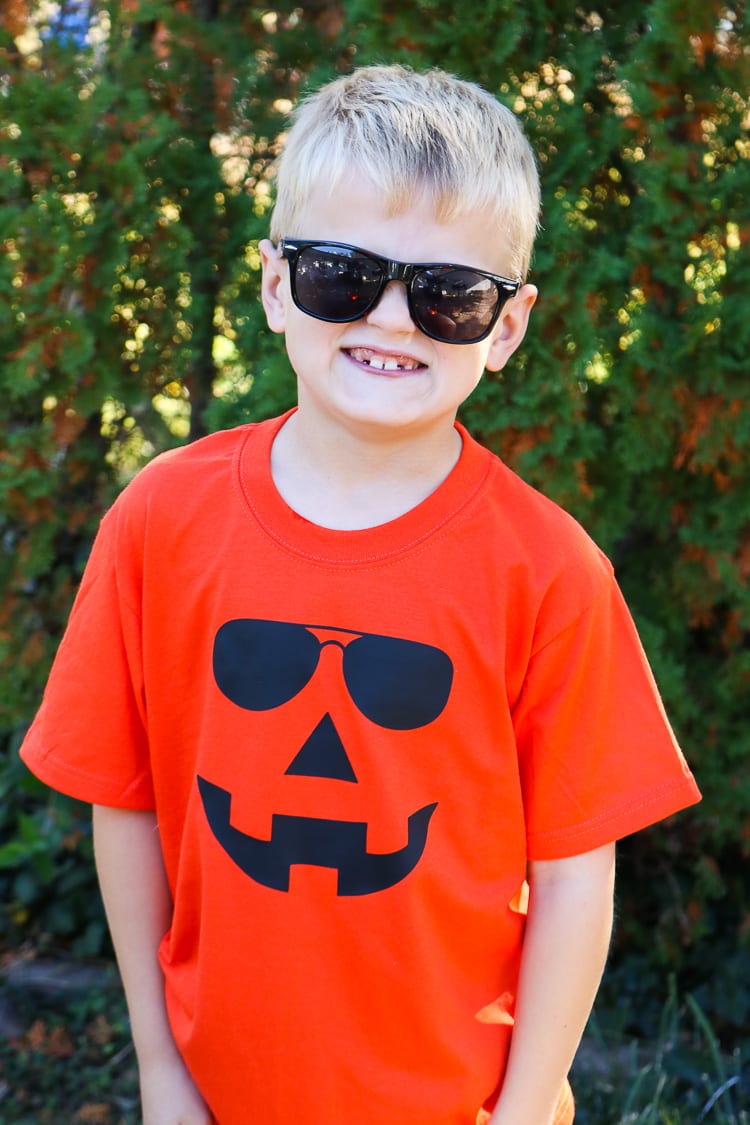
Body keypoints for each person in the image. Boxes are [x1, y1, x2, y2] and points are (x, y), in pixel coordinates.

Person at [20, 64, 700, 1125]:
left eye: (447, 295)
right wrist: (162, 1072)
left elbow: (574, 874)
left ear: (507, 327)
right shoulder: (160, 520)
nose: (391, 321)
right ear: (276, 284)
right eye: (342, 274)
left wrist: (521, 1114)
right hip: (217, 1095)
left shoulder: (549, 569)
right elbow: (128, 804)